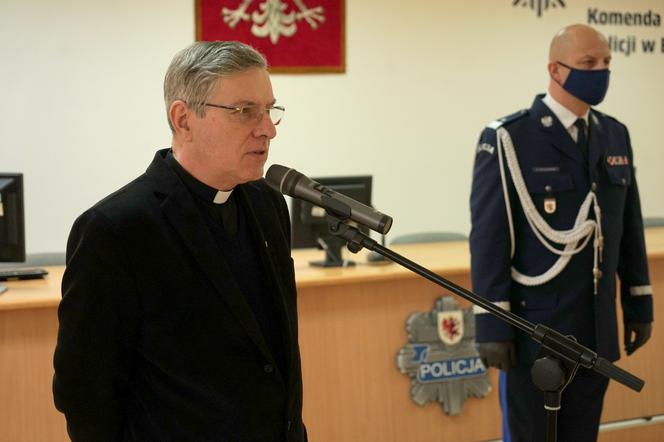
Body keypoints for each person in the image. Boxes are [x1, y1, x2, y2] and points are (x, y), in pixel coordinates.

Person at [53, 41, 307, 442]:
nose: (267, 128)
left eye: (269, 110)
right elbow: (84, 392)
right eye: (245, 111)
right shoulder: (117, 228)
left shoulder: (268, 204)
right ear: (183, 119)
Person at [470, 24, 653, 442]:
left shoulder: (614, 134)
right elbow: (489, 236)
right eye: (589, 63)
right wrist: (492, 325)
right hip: (536, 329)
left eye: (606, 62)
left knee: (582, 435)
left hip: (595, 327)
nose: (601, 71)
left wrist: (639, 301)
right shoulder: (509, 137)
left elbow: (627, 228)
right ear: (555, 69)